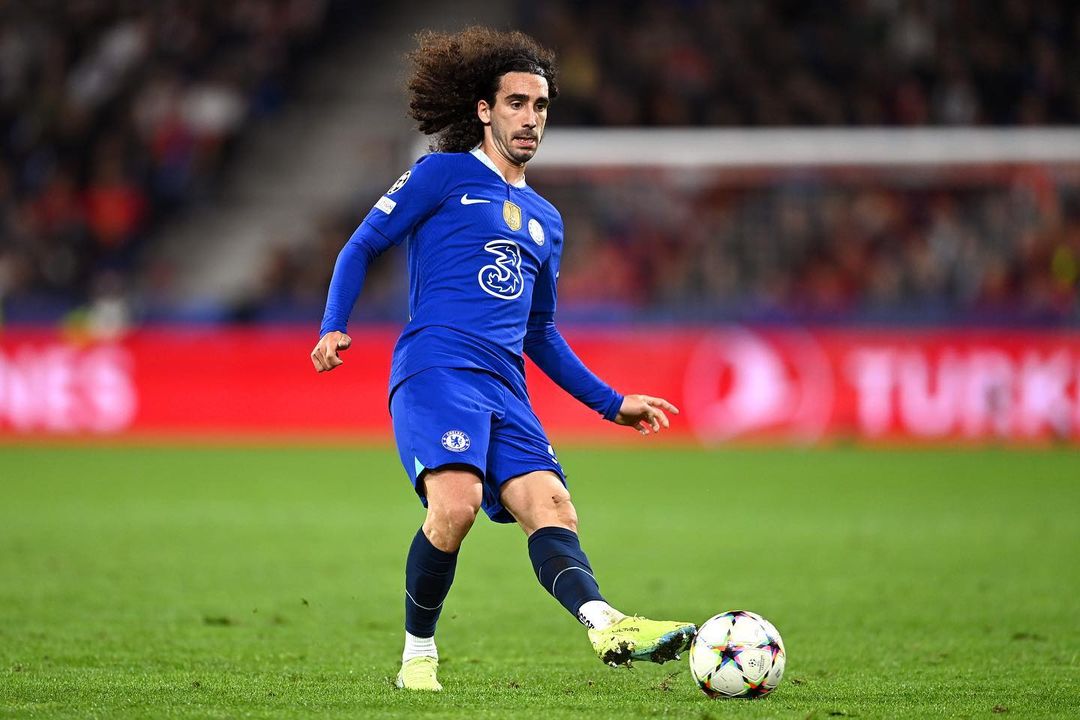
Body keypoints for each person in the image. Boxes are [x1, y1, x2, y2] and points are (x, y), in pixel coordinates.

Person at [310, 27, 694, 692]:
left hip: (505, 387)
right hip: (436, 369)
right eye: (516, 103)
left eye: (540, 106)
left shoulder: (547, 219)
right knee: (454, 508)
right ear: (485, 110)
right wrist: (333, 326)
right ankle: (418, 655)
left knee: (554, 509)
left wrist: (612, 403)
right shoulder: (441, 174)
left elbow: (540, 332)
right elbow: (360, 246)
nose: (530, 118)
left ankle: (606, 624)